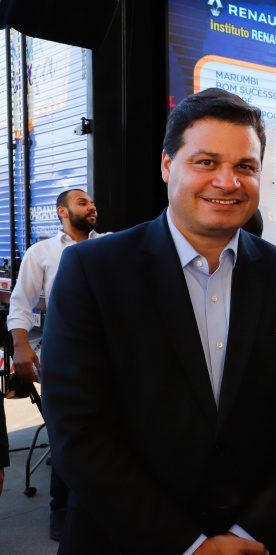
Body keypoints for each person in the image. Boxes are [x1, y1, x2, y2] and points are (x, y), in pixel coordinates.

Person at [40, 88, 276, 554]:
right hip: (127, 541)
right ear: (167, 165)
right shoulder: (93, 271)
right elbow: (78, 433)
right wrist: (191, 546)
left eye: (246, 166)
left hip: (262, 542)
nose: (228, 181)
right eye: (206, 162)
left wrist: (247, 533)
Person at [6, 188, 105, 540]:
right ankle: (60, 508)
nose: (92, 206)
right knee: (67, 431)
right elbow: (21, 304)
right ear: (62, 211)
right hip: (64, 352)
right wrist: (20, 347)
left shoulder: (109, 244)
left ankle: (107, 504)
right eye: (82, 202)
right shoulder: (43, 252)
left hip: (108, 353)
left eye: (92, 202)